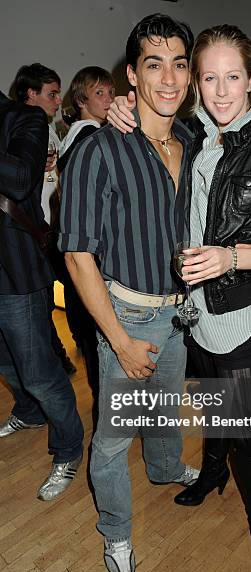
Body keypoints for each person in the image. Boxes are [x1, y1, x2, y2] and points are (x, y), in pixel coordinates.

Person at [109, 23, 251, 572]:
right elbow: (150, 114)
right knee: (210, 399)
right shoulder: (195, 133)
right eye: (210, 78)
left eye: (233, 78)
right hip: (188, 309)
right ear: (198, 82)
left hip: (236, 310)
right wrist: (123, 109)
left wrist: (230, 257)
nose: (221, 92)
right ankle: (212, 470)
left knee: (245, 425)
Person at [58, 14, 200, 572]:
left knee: (166, 404)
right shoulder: (98, 150)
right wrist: (118, 341)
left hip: (180, 311)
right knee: (115, 438)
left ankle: (166, 468)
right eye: (153, 64)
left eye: (179, 63)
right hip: (127, 315)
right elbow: (76, 256)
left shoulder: (191, 140)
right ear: (132, 76)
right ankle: (116, 531)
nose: (168, 78)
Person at [0, 90, 84, 501]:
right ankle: (29, 412)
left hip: (16, 272)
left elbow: (17, 180)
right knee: (5, 362)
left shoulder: (25, 119)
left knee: (39, 372)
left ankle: (68, 447)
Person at [13, 62, 76, 375]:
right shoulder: (18, 129)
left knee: (61, 298)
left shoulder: (50, 128)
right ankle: (55, 359)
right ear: (30, 94)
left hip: (53, 231)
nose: (58, 100)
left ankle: (61, 356)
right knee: (41, 304)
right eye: (52, 94)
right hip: (32, 234)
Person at [57, 66, 116, 402]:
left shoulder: (78, 133)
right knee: (98, 341)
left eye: (109, 92)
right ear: (82, 100)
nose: (108, 99)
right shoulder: (89, 135)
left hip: (80, 246)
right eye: (100, 94)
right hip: (89, 249)